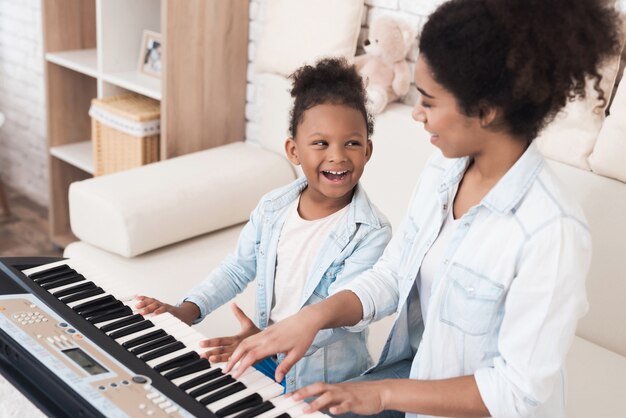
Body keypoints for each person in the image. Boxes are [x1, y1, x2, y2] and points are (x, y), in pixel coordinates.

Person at [225, 0, 622, 416]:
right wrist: (313, 317)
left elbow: (515, 393)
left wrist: (381, 395)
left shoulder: (551, 232)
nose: (415, 113)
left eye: (429, 101)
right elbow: (394, 274)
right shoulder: (443, 170)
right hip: (410, 385)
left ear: (485, 111)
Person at [135, 57, 392, 392]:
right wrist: (187, 310)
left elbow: (345, 316)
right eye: (321, 143)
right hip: (264, 352)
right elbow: (237, 268)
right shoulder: (274, 208)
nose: (338, 156)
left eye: (352, 143)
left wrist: (272, 339)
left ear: (368, 150)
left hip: (328, 377)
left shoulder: (371, 232)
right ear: (294, 150)